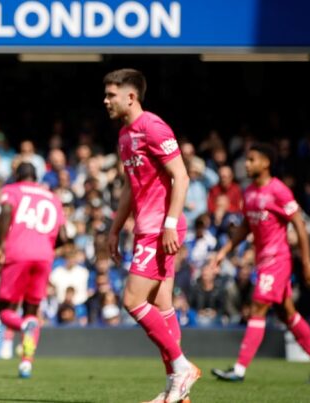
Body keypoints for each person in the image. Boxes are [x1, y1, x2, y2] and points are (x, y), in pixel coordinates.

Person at [103, 68, 199, 403]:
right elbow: (131, 186)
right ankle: (178, 389)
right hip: (146, 228)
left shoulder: (153, 127)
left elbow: (181, 177)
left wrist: (170, 223)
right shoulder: (125, 135)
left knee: (132, 301)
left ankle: (182, 368)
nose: (106, 101)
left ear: (131, 96)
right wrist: (115, 229)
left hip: (161, 230)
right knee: (162, 306)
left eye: (111, 95)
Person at [210, 143, 310, 384]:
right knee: (287, 313)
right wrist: (224, 251)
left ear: (265, 163)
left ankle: (239, 369)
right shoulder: (250, 192)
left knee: (257, 307)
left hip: (278, 259)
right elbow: (245, 226)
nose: (246, 164)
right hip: (263, 260)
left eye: (252, 159)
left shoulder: (279, 190)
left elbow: (299, 225)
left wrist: (307, 261)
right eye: (246, 159)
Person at [0, 161, 67, 379]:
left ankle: (23, 326)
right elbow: (63, 237)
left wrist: (0, 245)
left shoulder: (12, 190)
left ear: (17, 176)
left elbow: (6, 210)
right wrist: (44, 246)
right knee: (32, 310)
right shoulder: (53, 198)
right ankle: (26, 363)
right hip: (44, 256)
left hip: (17, 253)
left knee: (5, 310)